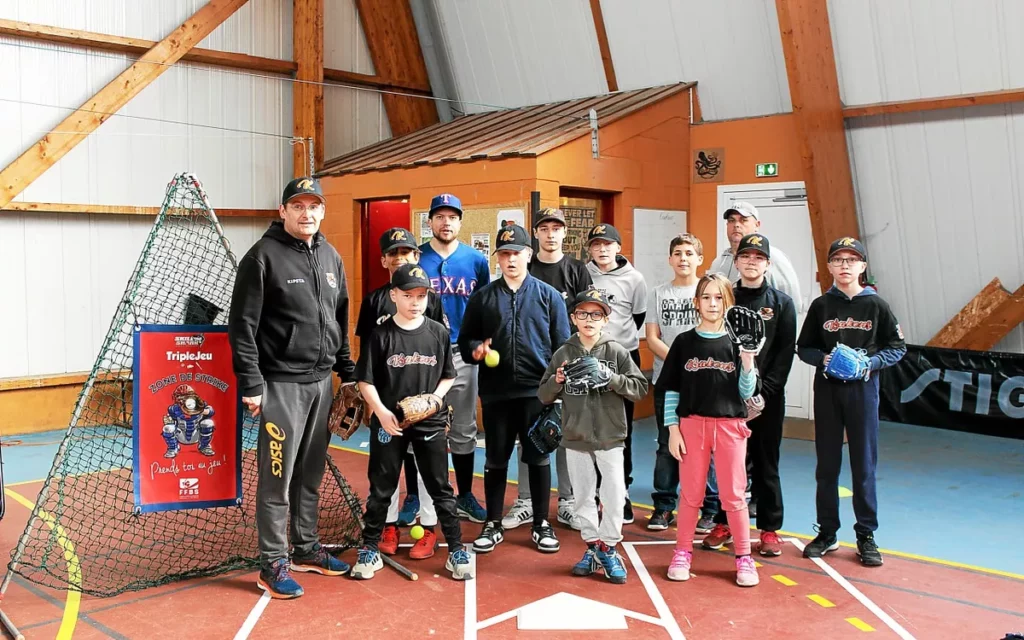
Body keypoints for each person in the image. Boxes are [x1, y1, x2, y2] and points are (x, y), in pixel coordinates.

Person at [228, 176, 353, 599]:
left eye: (314, 206)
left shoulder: (331, 256)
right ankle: (272, 562)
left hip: (321, 383)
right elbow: (242, 327)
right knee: (276, 479)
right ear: (283, 211)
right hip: (280, 385)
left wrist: (347, 374)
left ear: (322, 211)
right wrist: (251, 383)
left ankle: (305, 548)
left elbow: (339, 319)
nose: (307, 213)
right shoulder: (261, 257)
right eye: (298, 206)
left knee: (310, 476)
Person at [349, 263, 473, 581]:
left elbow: (448, 375)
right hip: (389, 421)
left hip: (429, 421)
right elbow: (365, 380)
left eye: (421, 295)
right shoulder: (380, 335)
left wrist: (435, 399)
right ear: (394, 295)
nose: (415, 301)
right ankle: (370, 548)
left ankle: (457, 548)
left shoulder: (438, 332)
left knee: (440, 486)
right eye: (408, 295)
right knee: (382, 487)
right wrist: (379, 411)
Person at [458, 224, 571, 554]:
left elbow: (562, 345)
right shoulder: (483, 298)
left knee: (538, 457)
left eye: (516, 253)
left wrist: (556, 388)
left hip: (537, 393)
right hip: (496, 393)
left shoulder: (548, 296)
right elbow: (466, 342)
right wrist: (476, 350)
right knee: (495, 459)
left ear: (528, 255)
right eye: (504, 254)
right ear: (498, 259)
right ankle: (492, 523)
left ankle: (540, 523)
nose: (510, 260)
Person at [797, 237, 906, 567]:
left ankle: (866, 535)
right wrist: (826, 358)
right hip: (829, 392)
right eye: (838, 260)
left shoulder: (876, 306)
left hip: (862, 391)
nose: (845, 265)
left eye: (852, 259)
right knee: (826, 466)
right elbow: (804, 348)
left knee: (863, 466)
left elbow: (897, 348)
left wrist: (869, 364)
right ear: (828, 267)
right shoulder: (821, 306)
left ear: (862, 267)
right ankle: (828, 532)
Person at [539, 288, 648, 584]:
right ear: (574, 318)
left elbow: (639, 388)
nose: (589, 319)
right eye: (583, 314)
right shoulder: (564, 353)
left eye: (596, 314)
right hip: (575, 437)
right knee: (583, 496)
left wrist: (610, 378)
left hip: (611, 436)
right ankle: (592, 547)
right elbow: (543, 394)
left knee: (613, 494)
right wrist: (556, 380)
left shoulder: (617, 352)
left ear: (605, 319)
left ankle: (609, 546)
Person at [659, 272, 761, 587]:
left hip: (730, 425)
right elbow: (671, 388)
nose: (712, 303)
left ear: (728, 303)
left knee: (733, 495)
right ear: (696, 302)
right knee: (690, 494)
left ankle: (744, 558)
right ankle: (682, 552)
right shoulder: (684, 342)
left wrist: (747, 360)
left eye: (719, 297)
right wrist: (673, 429)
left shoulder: (737, 343)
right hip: (692, 425)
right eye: (706, 297)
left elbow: (747, 392)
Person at [354, 227, 447, 557]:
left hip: (422, 403)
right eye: (393, 253)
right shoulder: (374, 300)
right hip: (387, 400)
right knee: (385, 472)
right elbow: (366, 350)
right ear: (384, 260)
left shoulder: (429, 299)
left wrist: (435, 402)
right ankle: (387, 527)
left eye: (405, 252)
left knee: (427, 472)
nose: (400, 257)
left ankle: (429, 528)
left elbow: (439, 347)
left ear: (415, 255)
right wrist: (370, 402)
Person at [503, 208, 593, 531]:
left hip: (570, 362)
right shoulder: (528, 267)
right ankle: (526, 500)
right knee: (531, 435)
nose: (551, 233)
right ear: (536, 234)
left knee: (565, 432)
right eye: (545, 228)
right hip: (534, 369)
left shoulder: (576, 269)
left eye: (557, 228)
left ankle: (567, 501)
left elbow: (589, 313)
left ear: (564, 233)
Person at [714, 233, 797, 556]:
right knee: (728, 464)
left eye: (758, 257)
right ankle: (723, 522)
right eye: (746, 256)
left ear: (768, 263)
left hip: (768, 401)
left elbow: (784, 354)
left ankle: (769, 529)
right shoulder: (723, 299)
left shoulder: (781, 303)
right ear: (736, 262)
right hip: (727, 397)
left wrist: (763, 395)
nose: (751, 262)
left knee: (766, 463)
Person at [418, 193, 491, 523]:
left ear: (460, 222)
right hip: (422, 354)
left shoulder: (476, 261)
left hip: (462, 352)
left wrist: (483, 342)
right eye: (440, 216)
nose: (446, 222)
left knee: (463, 428)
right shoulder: (416, 258)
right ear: (430, 221)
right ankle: (416, 498)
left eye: (452, 217)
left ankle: (464, 494)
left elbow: (486, 306)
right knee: (416, 424)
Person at [585, 224, 648, 524]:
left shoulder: (635, 279)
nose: (602, 250)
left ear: (618, 247)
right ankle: (596, 492)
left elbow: (638, 317)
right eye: (596, 245)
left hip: (623, 357)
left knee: (622, 429)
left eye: (607, 244)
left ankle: (621, 493)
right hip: (589, 356)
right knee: (593, 427)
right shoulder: (583, 274)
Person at [645, 234, 703, 531]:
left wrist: (696, 365)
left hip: (704, 379)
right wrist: (680, 361)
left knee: (702, 444)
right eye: (677, 253)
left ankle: (706, 506)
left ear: (699, 259)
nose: (683, 258)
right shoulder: (657, 293)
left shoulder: (710, 291)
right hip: (667, 378)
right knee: (667, 442)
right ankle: (664, 505)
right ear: (670, 259)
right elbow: (652, 338)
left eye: (689, 253)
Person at [709, 202, 802, 308]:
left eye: (743, 220)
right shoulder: (719, 263)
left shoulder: (775, 258)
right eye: (731, 220)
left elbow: (792, 304)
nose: (736, 225)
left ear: (757, 225)